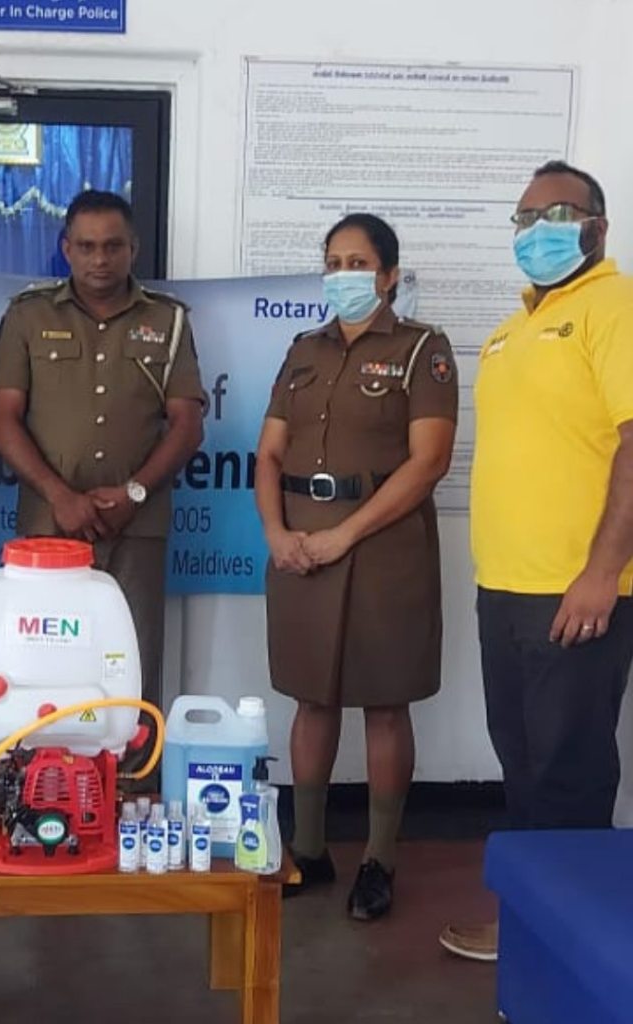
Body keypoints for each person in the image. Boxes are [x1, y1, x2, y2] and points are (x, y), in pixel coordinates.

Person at [440, 161, 633, 961]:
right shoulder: (511, 328)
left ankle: (569, 951)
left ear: (597, 226)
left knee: (568, 771)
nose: (535, 230)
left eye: (555, 214)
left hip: (576, 589)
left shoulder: (615, 306)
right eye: (523, 218)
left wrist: (601, 573)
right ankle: (530, 929)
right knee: (523, 766)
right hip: (506, 588)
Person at [255, 213, 457, 920]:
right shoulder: (303, 350)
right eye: (334, 262)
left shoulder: (421, 349)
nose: (344, 275)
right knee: (310, 697)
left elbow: (428, 462)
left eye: (359, 263)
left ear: (390, 276)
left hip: (383, 545)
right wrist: (276, 532)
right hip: (300, 540)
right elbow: (269, 453)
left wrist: (345, 535)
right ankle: (309, 849)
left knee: (384, 700)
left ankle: (379, 860)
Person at [0, 190, 204, 710]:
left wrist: (134, 493)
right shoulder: (28, 316)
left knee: (131, 663)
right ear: (67, 249)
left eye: (112, 246)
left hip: (136, 525)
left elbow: (188, 425)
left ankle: (135, 766)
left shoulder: (168, 321)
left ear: (133, 249)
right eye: (86, 246)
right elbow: (0, 419)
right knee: (45, 665)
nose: (99, 259)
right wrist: (60, 496)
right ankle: (48, 765)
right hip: (48, 527)